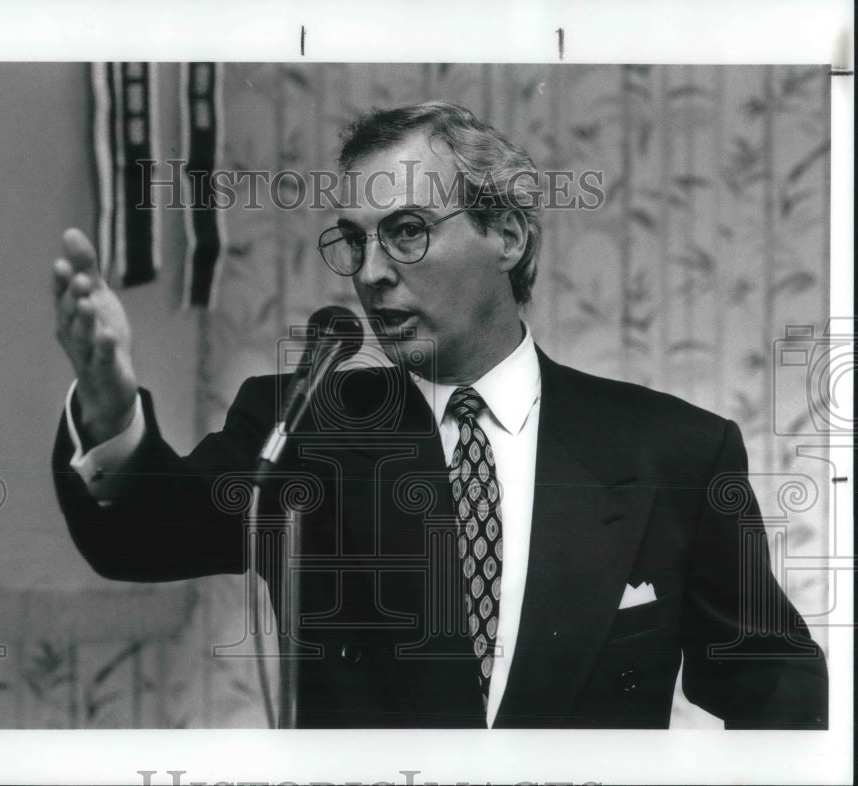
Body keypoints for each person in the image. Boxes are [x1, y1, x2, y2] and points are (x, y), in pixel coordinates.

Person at [51, 101, 828, 729]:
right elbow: (141, 535)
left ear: (505, 234)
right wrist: (110, 407)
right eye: (353, 242)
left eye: (407, 231)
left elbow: (774, 684)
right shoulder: (305, 426)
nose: (373, 272)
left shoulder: (676, 452)